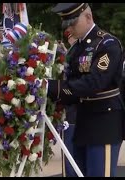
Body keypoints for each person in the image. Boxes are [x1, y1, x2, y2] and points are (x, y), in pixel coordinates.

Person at [45, 3, 125, 177]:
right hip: (81, 120)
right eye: (67, 24)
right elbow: (70, 80)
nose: (70, 28)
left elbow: (93, 83)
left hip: (103, 122)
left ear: (88, 17)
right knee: (77, 172)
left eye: (73, 23)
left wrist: (51, 87)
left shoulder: (107, 44)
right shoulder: (76, 49)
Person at [58, 30, 78, 177]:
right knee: (69, 151)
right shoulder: (69, 54)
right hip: (69, 108)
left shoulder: (79, 53)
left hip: (78, 106)